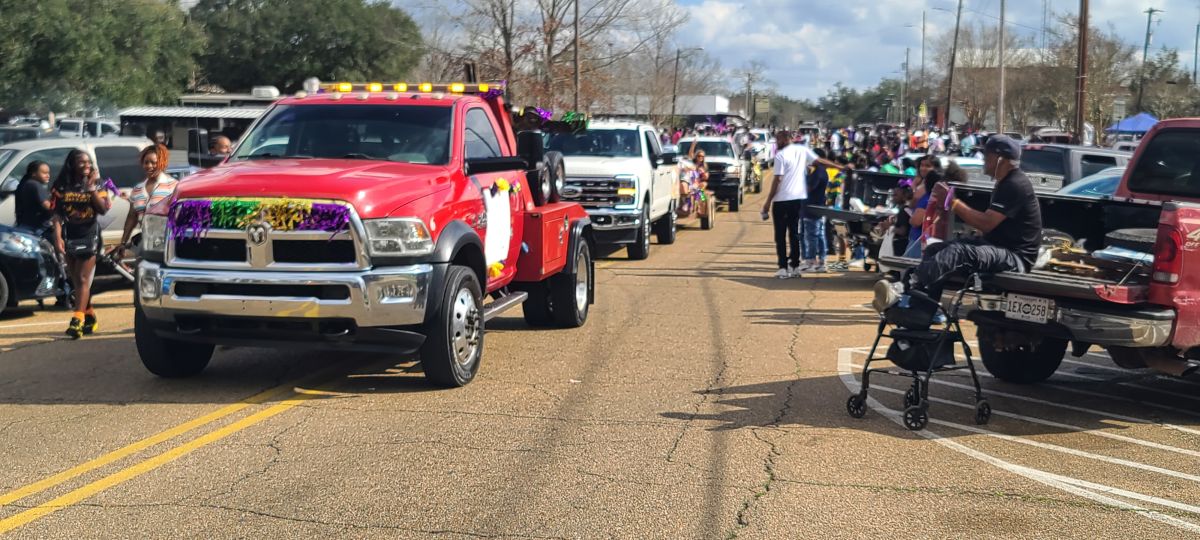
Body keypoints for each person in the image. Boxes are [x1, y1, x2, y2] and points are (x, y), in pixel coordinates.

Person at [874, 135, 1042, 312]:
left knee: (959, 252)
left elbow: (986, 223)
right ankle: (920, 314)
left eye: (987, 156)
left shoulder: (1014, 184)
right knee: (935, 249)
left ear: (999, 159)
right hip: (997, 247)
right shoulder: (1005, 183)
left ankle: (903, 287)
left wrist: (953, 202)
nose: (984, 160)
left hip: (1015, 257)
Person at [762, 131, 844, 279]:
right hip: (797, 200)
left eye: (778, 140)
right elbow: (820, 161)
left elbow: (777, 180)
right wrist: (839, 166)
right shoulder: (802, 150)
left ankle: (782, 267)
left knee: (780, 235)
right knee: (794, 234)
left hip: (781, 200)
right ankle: (794, 267)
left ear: (785, 140)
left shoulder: (780, 156)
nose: (776, 142)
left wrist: (767, 202)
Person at [52, 149, 111, 338]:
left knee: (84, 279)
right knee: (76, 280)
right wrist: (58, 237)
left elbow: (102, 209)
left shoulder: (98, 183)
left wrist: (92, 188)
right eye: (81, 162)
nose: (86, 166)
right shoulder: (61, 186)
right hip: (70, 234)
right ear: (72, 165)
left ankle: (76, 321)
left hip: (90, 234)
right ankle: (90, 316)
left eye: (88, 162)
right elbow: (57, 215)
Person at [119, 144, 178, 251]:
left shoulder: (173, 186)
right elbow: (132, 217)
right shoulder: (138, 189)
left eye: (154, 162)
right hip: (146, 241)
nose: (149, 166)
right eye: (146, 162)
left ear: (162, 162)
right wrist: (123, 242)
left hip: (167, 242)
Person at [14, 161, 55, 245]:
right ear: (33, 174)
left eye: (48, 173)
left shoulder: (24, 183)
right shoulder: (35, 185)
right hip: (39, 228)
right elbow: (47, 206)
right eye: (44, 173)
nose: (48, 175)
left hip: (25, 224)